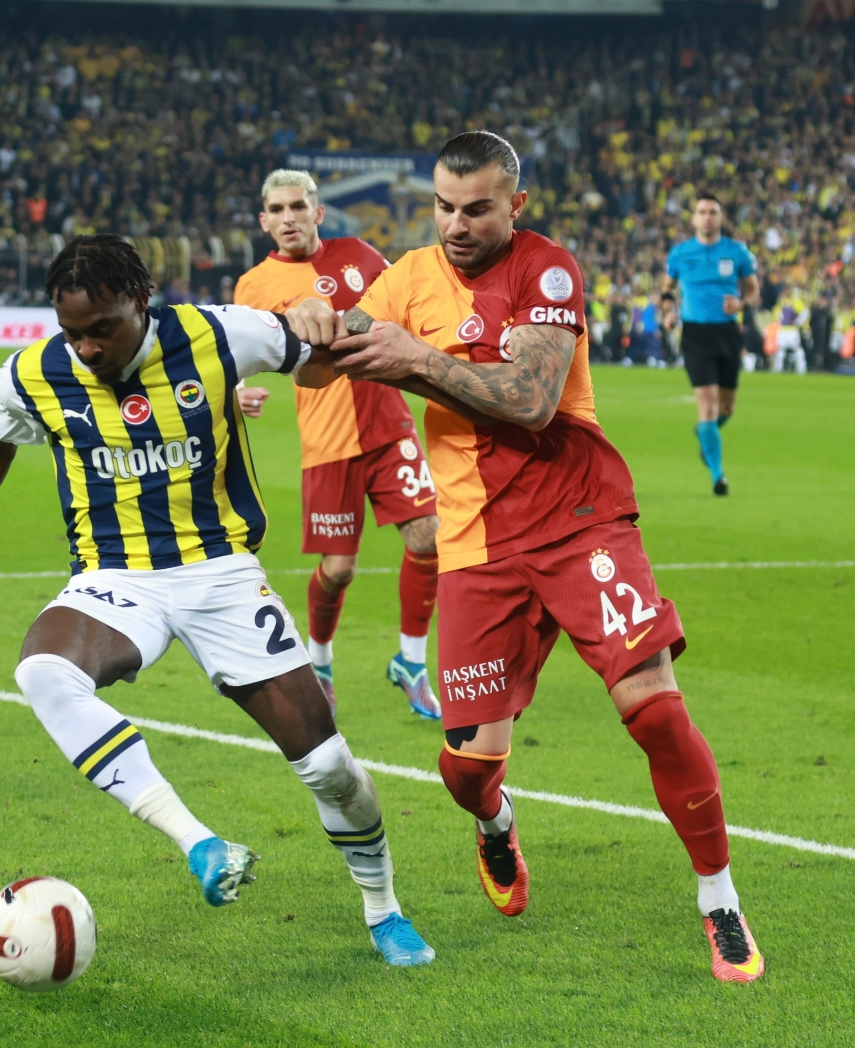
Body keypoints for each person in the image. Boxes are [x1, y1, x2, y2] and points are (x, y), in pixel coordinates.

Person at [300, 131, 763, 983]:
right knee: (466, 771)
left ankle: (720, 900)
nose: (457, 225)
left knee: (654, 708)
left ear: (515, 204)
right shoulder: (408, 278)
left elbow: (532, 400)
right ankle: (496, 823)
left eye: (477, 208)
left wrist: (415, 358)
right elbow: (322, 366)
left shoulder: (547, 271)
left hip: (580, 518)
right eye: (444, 207)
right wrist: (309, 330)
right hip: (476, 545)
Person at [0, 234, 433, 966]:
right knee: (42, 671)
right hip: (115, 578)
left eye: (101, 328)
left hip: (221, 574)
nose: (86, 348)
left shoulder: (219, 334)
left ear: (140, 301)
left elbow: (319, 363)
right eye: (72, 332)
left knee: (329, 767)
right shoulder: (34, 372)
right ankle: (199, 842)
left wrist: (326, 323)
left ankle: (382, 907)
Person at [233, 169, 442, 721]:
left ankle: (411, 662)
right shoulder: (254, 286)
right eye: (278, 210)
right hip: (327, 440)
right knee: (339, 568)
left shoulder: (360, 256)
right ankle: (320, 662)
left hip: (388, 424)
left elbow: (407, 304)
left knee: (429, 537)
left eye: (298, 206)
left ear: (318, 212)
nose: (289, 218)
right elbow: (233, 359)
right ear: (264, 221)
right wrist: (238, 393)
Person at [666, 194, 759, 497]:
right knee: (706, 405)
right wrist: (668, 312)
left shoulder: (737, 252)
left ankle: (707, 434)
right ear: (694, 218)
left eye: (713, 212)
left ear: (721, 218)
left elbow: (754, 292)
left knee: (727, 407)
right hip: (695, 335)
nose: (707, 217)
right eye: (702, 212)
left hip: (728, 333)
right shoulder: (680, 254)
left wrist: (741, 303)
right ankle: (719, 476)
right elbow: (666, 290)